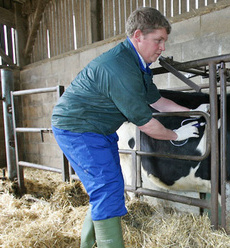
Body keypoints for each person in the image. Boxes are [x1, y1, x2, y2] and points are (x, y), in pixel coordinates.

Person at [51, 7, 207, 248]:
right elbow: (146, 124)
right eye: (158, 40)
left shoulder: (137, 64)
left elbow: (157, 101)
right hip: (78, 128)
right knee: (107, 188)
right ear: (138, 36)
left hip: (99, 129)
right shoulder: (121, 68)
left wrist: (195, 113)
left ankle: (88, 244)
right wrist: (177, 134)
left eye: (164, 41)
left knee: (108, 186)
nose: (162, 47)